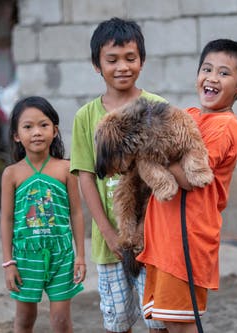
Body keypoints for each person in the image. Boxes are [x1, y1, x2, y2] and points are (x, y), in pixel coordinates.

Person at [136, 38, 237, 333]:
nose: (212, 78)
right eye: (207, 69)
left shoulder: (225, 126)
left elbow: (192, 177)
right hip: (162, 239)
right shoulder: (188, 116)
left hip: (185, 242)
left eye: (224, 73)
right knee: (161, 324)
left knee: (180, 324)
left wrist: (152, 154)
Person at [69, 17, 167, 333]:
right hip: (108, 246)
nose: (122, 67)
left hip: (155, 240)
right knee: (117, 321)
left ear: (142, 60)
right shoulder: (86, 117)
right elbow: (85, 177)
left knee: (159, 321)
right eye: (112, 60)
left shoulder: (157, 107)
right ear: (97, 64)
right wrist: (108, 233)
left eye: (130, 58)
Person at [0, 96, 86, 333]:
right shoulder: (11, 174)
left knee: (61, 321)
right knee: (25, 319)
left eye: (43, 125)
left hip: (62, 256)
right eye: (28, 127)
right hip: (26, 257)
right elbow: (6, 219)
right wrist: (9, 263)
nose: (36, 132)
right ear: (17, 135)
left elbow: (77, 213)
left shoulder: (66, 169)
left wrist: (80, 256)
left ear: (55, 130)